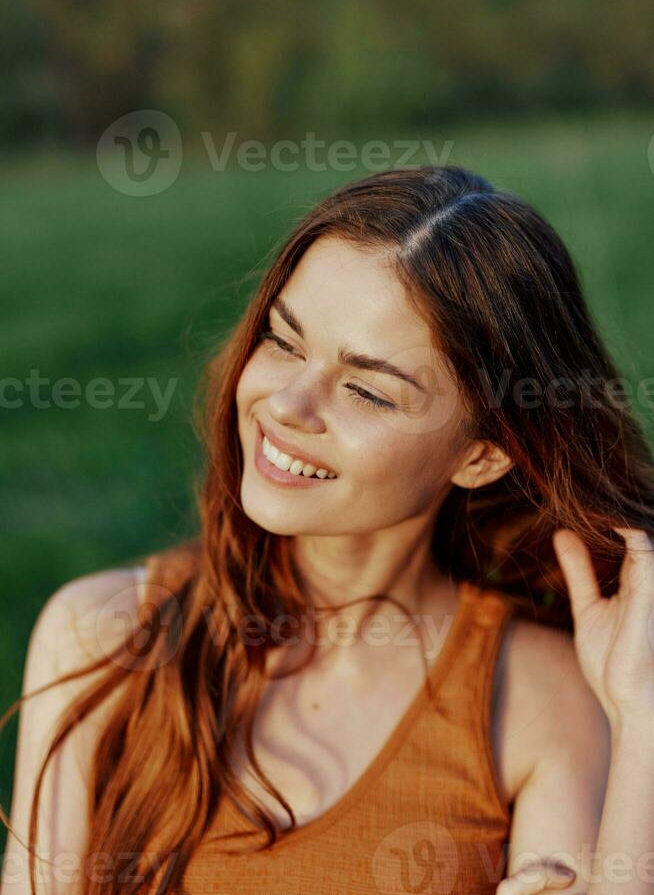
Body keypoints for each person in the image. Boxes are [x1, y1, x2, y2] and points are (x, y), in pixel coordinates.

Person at [2, 165, 653, 895]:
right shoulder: (105, 637)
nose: (288, 404)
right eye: (283, 342)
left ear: (481, 453)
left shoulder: (537, 697)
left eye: (367, 390)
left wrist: (644, 714)